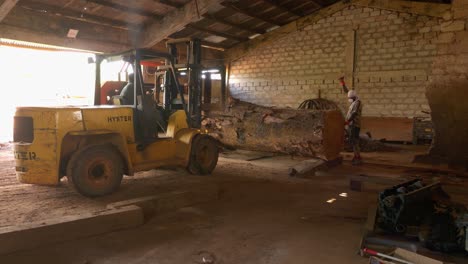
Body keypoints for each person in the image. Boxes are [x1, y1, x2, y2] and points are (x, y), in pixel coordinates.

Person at [339, 77, 363, 165]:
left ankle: (358, 157)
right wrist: (342, 83)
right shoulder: (353, 99)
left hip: (355, 125)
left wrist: (348, 121)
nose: (349, 99)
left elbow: (354, 113)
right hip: (351, 124)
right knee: (352, 141)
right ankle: (356, 156)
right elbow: (347, 91)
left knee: (355, 141)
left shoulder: (357, 103)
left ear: (354, 97)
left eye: (350, 98)